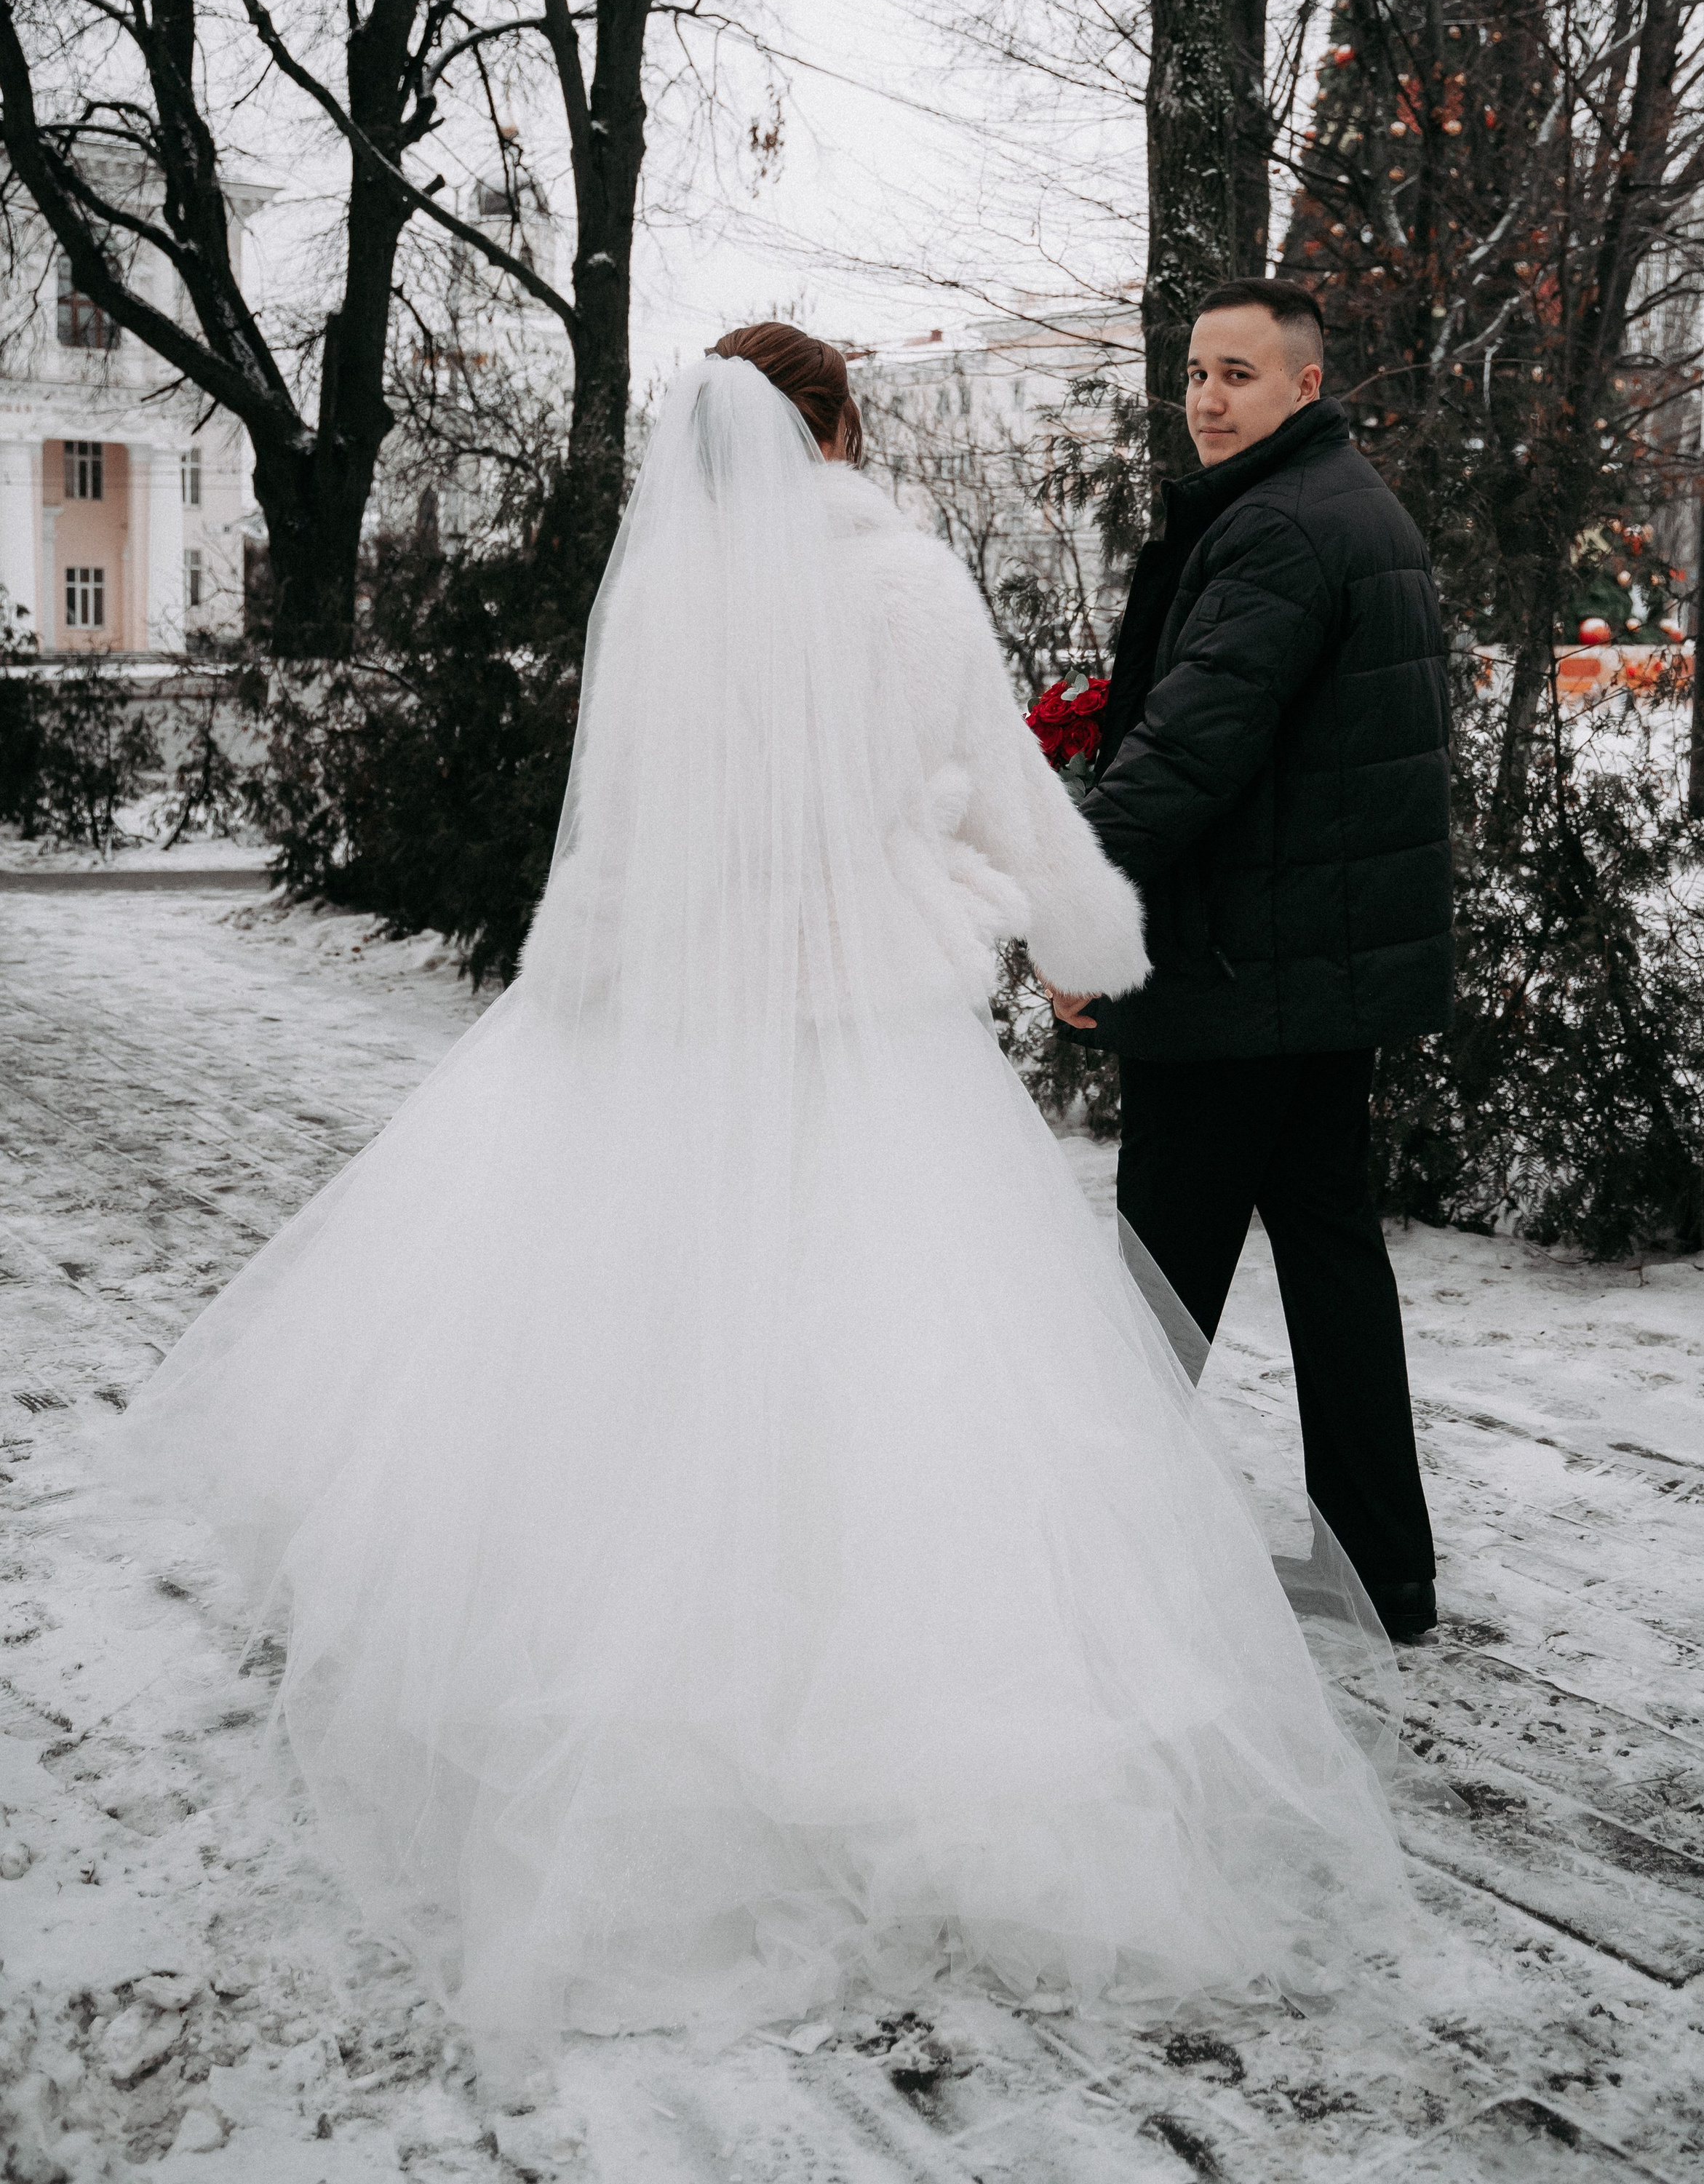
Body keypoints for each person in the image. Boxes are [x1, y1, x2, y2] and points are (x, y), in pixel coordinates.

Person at [115, 322, 1412, 2064]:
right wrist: (1083, 933)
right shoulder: (894, 587)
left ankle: (598, 1671)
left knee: (654, 1336)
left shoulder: (657, 604)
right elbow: (1010, 799)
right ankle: (892, 1708)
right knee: (877, 1351)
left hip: (677, 1027)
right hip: (864, 1037)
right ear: (843, 428)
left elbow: (624, 831)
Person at [1050, 279, 1451, 1645]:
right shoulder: (1348, 505)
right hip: (1315, 970)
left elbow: (1188, 751)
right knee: (1333, 1262)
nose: (1209, 398)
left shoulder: (1278, 528)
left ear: (1302, 383)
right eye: (1196, 373)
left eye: (1238, 374)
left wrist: (1074, 899)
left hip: (1239, 973)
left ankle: (1086, 1550)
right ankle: (1381, 1561)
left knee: (1155, 1276)